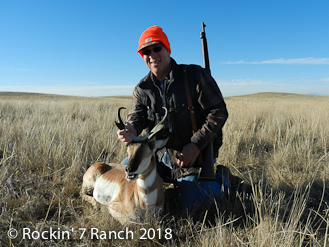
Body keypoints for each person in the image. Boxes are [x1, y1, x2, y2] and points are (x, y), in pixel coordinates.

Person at [117, 25, 230, 211]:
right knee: (123, 174)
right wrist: (131, 129)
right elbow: (137, 116)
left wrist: (195, 144)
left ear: (167, 49)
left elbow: (218, 111)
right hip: (158, 155)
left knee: (192, 205)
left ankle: (223, 180)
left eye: (157, 48)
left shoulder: (194, 76)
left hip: (192, 157)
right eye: (146, 51)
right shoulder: (142, 88)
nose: (152, 55)